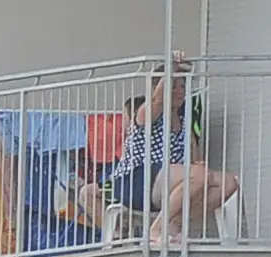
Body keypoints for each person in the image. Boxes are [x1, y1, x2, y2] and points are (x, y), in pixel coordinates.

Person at [82, 59, 239, 246]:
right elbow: (157, 100)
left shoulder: (185, 126)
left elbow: (197, 163)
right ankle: (142, 231)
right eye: (173, 86)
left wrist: (199, 166)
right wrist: (171, 67)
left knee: (229, 184)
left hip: (168, 185)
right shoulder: (146, 114)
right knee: (87, 192)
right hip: (136, 180)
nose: (180, 91)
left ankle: (172, 223)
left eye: (182, 86)